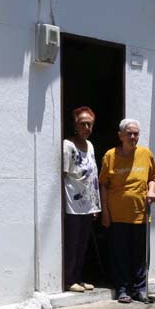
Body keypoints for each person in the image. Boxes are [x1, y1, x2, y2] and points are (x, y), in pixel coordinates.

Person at [100, 119, 155, 304]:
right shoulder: (110, 156)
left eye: (136, 134)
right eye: (129, 133)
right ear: (120, 136)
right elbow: (103, 185)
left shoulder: (146, 154)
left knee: (139, 255)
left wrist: (151, 191)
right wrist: (105, 212)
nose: (133, 137)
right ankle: (123, 289)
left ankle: (139, 289)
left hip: (140, 213)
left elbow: (152, 177)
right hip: (117, 215)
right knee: (120, 254)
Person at [62, 106, 101, 293]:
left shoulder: (90, 145)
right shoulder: (68, 145)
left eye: (90, 124)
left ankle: (78, 277)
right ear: (75, 125)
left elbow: (93, 176)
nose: (86, 127)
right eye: (83, 124)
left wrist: (95, 205)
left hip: (88, 204)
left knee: (83, 244)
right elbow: (64, 174)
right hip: (72, 203)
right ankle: (69, 279)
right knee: (72, 243)